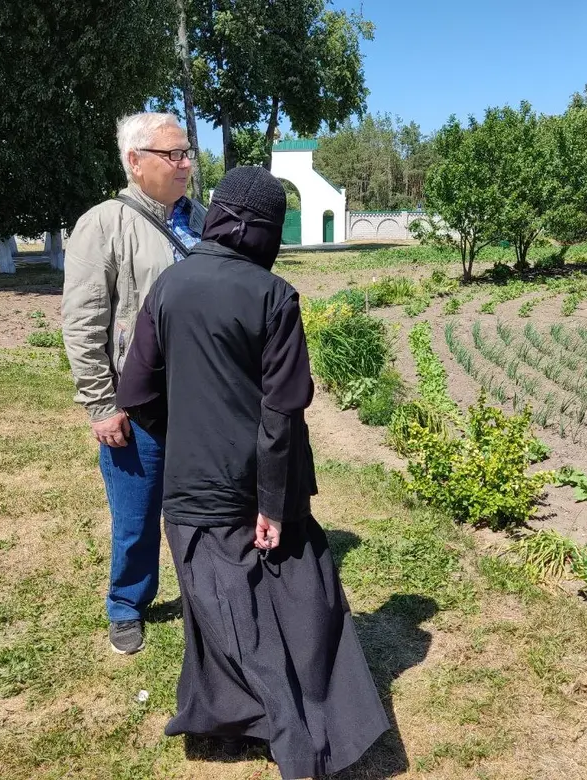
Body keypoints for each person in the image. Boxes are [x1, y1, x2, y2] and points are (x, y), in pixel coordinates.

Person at [116, 166, 390, 779]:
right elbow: (283, 410)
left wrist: (183, 436)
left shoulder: (167, 287)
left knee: (219, 610)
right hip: (263, 487)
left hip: (191, 492)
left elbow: (136, 392)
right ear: (259, 229)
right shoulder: (273, 296)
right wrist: (270, 504)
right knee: (284, 613)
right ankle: (303, 744)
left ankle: (233, 720)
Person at [61, 112, 205, 655]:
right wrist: (101, 404)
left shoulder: (204, 219)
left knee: (201, 505)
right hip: (137, 400)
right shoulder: (103, 224)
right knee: (136, 512)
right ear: (134, 162)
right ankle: (127, 602)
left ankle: (206, 592)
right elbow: (83, 321)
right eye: (172, 155)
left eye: (187, 152)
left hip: (201, 397)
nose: (185, 163)